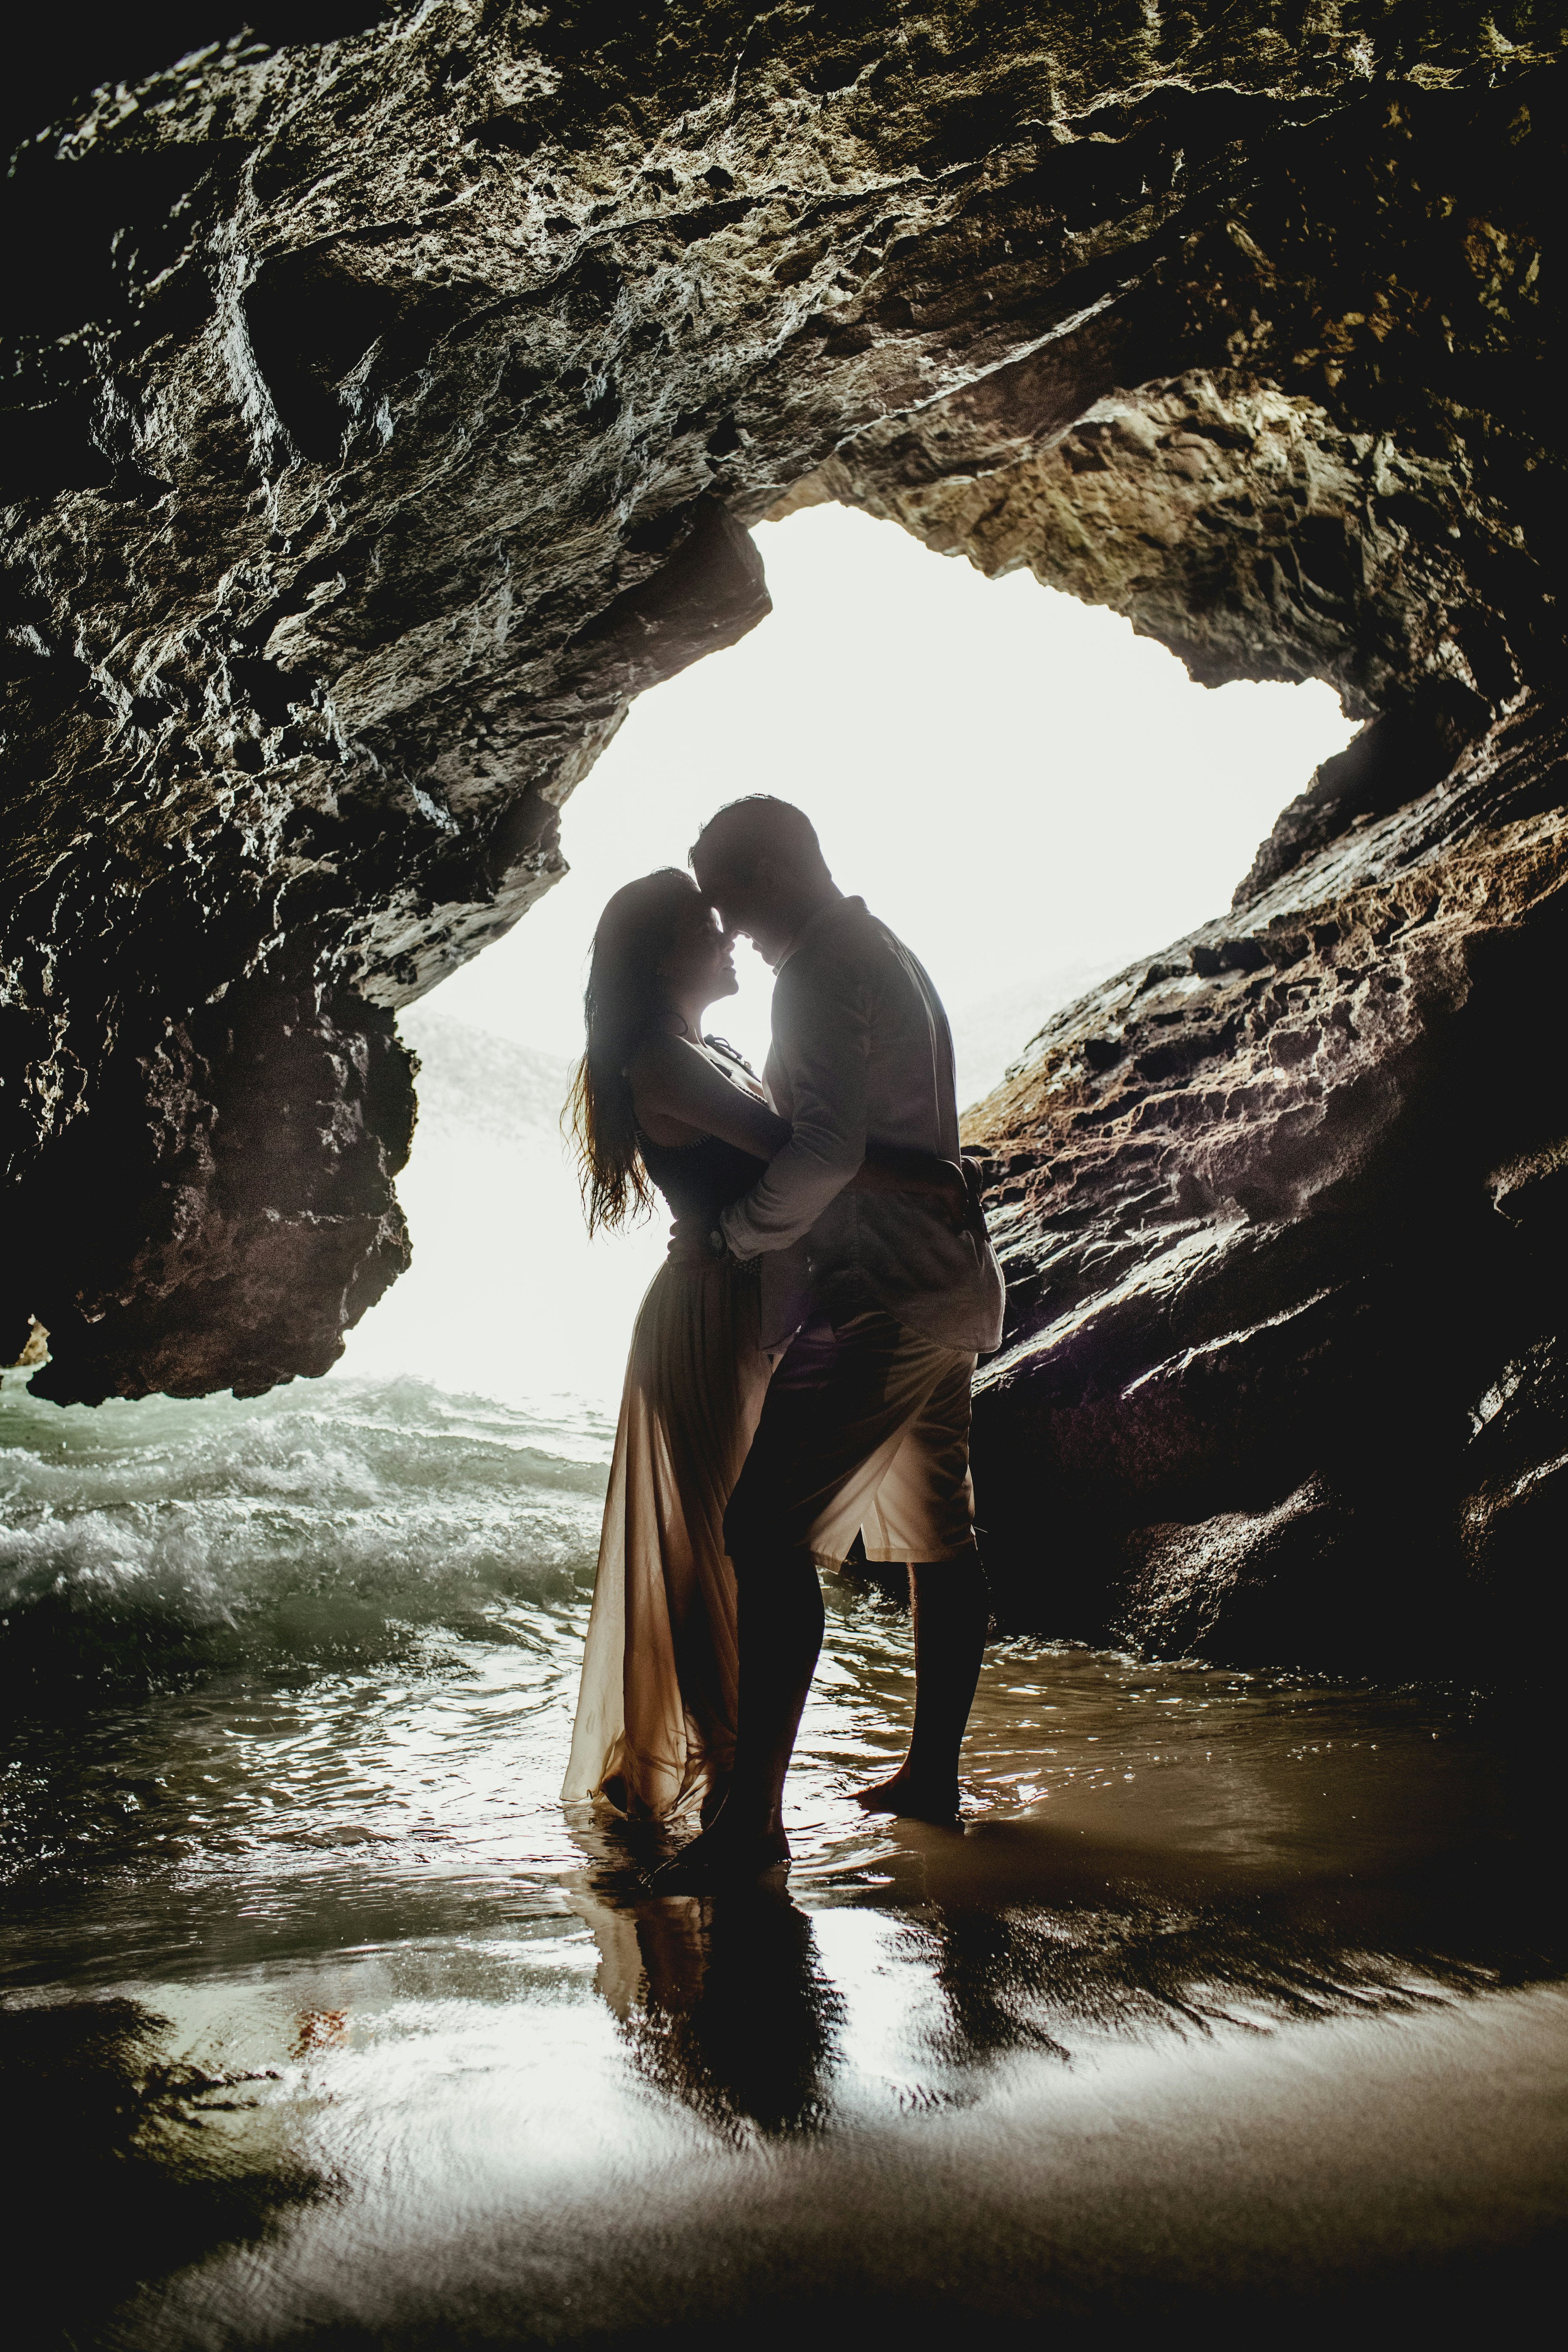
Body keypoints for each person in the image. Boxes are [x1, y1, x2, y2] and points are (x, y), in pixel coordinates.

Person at [561, 868, 965, 1827]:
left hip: (755, 1309)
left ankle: (742, 1791)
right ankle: (732, 1790)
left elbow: (806, 1146)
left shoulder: (709, 1046)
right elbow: (794, 1147)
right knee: (716, 1548)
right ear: (664, 957)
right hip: (707, 1316)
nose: (730, 938)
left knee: (742, 1546)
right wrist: (930, 1177)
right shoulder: (660, 1060)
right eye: (708, 928)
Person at [655, 798, 1005, 1890]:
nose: (728, 924)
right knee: (941, 1536)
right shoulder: (883, 947)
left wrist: (738, 1231)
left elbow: (822, 1149)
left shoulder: (815, 973)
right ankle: (931, 1777)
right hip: (945, 1290)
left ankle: (750, 1823)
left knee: (763, 1535)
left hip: (881, 1297)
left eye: (729, 893)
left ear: (771, 867)